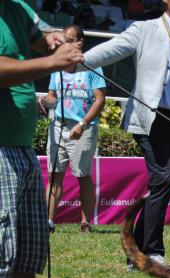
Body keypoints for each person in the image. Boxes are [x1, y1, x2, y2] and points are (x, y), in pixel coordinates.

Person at [81, 0, 170, 266]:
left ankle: (135, 253)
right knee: (163, 177)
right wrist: (78, 60)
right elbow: (109, 50)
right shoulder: (144, 29)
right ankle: (153, 251)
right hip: (151, 118)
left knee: (164, 184)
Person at [0, 0, 83, 278]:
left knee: (27, 252)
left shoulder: (16, 6)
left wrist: (51, 40)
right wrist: (52, 63)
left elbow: (39, 35)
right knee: (1, 254)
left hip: (21, 148)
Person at [40, 24, 106, 233]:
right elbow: (53, 96)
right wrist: (44, 101)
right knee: (53, 175)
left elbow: (100, 100)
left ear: (80, 42)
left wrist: (82, 124)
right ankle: (48, 222)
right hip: (58, 126)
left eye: (69, 40)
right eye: (64, 40)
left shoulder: (92, 66)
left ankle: (85, 223)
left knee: (82, 175)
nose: (64, 44)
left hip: (83, 129)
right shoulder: (58, 66)